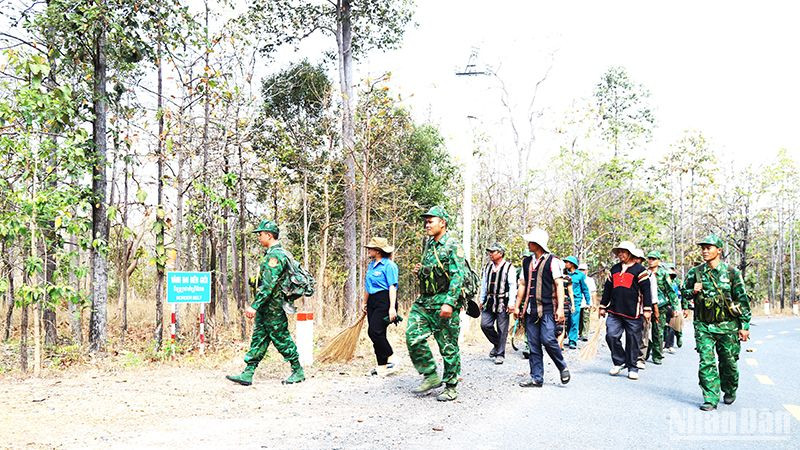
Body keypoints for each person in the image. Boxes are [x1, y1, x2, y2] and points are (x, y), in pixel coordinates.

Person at [226, 220, 304, 386]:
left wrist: (254, 305)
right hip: (266, 307)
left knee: (281, 337)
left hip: (272, 307)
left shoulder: (275, 256)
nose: (259, 237)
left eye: (260, 234)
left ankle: (298, 370)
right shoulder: (272, 254)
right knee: (259, 338)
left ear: (269, 235)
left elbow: (269, 286)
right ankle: (248, 373)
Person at [681, 234, 751, 411]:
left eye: (708, 248)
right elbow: (683, 293)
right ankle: (710, 398)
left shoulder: (731, 273)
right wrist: (692, 291)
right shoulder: (695, 272)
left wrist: (744, 326)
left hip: (728, 326)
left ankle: (729, 388)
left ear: (718, 250)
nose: (705, 251)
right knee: (706, 361)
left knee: (728, 362)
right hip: (703, 325)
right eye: (703, 248)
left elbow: (742, 299)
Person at [406, 206, 467, 402]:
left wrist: (450, 303)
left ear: (443, 222)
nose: (427, 224)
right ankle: (431, 374)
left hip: (444, 301)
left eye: (430, 221)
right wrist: (421, 271)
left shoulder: (452, 245)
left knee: (447, 346)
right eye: (426, 221)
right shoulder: (429, 244)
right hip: (425, 301)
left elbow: (458, 276)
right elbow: (434, 271)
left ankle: (451, 386)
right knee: (412, 336)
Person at [512, 228, 570, 388]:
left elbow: (559, 284)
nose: (528, 244)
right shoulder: (526, 262)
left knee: (548, 339)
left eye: (530, 241)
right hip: (530, 309)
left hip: (548, 309)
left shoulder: (553, 261)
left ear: (538, 244)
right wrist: (517, 306)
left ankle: (562, 366)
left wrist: (560, 308)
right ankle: (536, 378)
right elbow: (522, 284)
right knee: (533, 344)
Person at [600, 241, 653, 380]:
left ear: (630, 254)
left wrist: (647, 309)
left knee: (633, 340)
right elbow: (607, 289)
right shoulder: (614, 269)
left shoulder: (640, 270)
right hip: (614, 310)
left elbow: (646, 291)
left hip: (633, 312)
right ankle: (619, 361)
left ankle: (632, 367)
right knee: (611, 335)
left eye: (623, 252)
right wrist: (603, 306)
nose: (620, 254)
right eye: (619, 252)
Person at [361, 237, 400, 377]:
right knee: (379, 333)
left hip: (385, 300)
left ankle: (392, 357)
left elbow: (392, 287)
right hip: (372, 300)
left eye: (371, 249)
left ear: (378, 251)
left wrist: (392, 307)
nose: (368, 251)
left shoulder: (389, 265)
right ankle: (382, 367)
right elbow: (368, 286)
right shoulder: (371, 265)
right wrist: (364, 302)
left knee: (374, 331)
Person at [479, 242, 516, 365]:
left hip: (502, 302)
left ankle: (500, 354)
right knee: (485, 325)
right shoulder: (488, 267)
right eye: (489, 252)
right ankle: (497, 344)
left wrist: (511, 303)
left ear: (500, 253)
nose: (490, 254)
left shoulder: (509, 268)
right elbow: (484, 284)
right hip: (490, 301)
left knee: (502, 329)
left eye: (493, 252)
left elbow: (512, 286)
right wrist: (481, 300)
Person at [645, 251, 679, 366]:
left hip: (661, 306)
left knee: (658, 331)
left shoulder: (664, 274)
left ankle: (657, 355)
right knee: (642, 331)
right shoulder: (645, 272)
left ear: (658, 260)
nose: (651, 261)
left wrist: (675, 307)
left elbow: (670, 290)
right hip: (646, 305)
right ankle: (646, 350)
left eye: (653, 259)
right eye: (649, 258)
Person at [564, 256, 590, 349]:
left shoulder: (580, 275)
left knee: (574, 320)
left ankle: (573, 341)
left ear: (572, 264)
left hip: (576, 300)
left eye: (567, 262)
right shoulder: (563, 273)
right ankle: (566, 337)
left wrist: (588, 302)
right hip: (565, 300)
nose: (565, 264)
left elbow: (585, 289)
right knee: (567, 321)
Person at [578, 263, 596, 341]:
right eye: (580, 270)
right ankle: (579, 333)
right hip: (578, 302)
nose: (582, 271)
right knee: (578, 319)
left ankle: (585, 334)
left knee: (586, 318)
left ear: (586, 271)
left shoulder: (590, 280)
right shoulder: (576, 279)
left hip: (587, 303)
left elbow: (593, 292)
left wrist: (594, 304)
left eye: (583, 270)